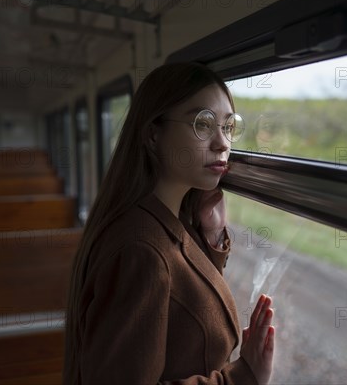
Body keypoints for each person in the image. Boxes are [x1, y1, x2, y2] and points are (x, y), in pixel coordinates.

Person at [63, 62, 275, 385]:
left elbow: (186, 321)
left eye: (228, 127)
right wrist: (241, 377)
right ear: (153, 134)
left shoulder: (168, 219)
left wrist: (212, 238)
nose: (223, 143)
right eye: (202, 125)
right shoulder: (139, 248)